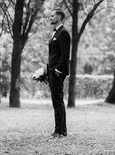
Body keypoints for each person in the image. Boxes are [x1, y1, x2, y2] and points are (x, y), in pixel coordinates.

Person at [47, 9, 71, 138]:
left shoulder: (63, 33)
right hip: (51, 71)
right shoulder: (54, 33)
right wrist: (47, 69)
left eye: (52, 15)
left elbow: (65, 54)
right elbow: (53, 54)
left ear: (60, 17)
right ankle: (60, 130)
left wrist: (58, 69)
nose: (50, 17)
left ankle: (60, 131)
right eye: (50, 15)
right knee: (56, 101)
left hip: (57, 72)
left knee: (58, 101)